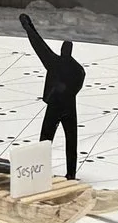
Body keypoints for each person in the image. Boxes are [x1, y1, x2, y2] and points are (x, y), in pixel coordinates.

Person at [21, 12, 85, 180]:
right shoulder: (78, 69)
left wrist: (28, 27)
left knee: (46, 139)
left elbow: (39, 46)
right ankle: (70, 173)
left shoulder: (54, 62)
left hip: (57, 106)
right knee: (70, 140)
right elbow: (39, 45)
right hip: (68, 106)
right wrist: (29, 27)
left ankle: (43, 171)